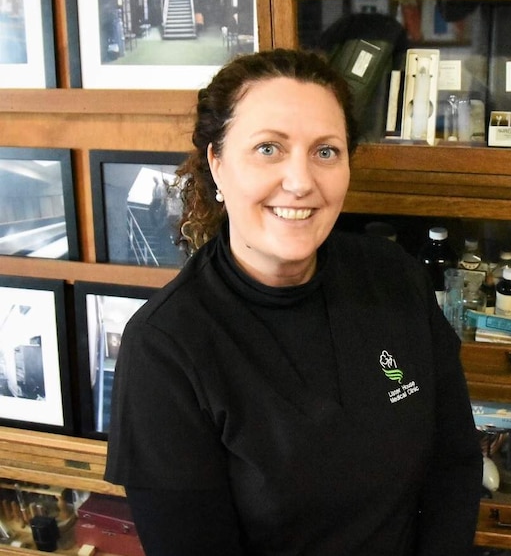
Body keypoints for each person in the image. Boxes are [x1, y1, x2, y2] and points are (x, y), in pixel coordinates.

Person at [104, 48, 483, 556]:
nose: (302, 182)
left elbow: (453, 465)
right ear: (216, 164)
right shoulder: (165, 349)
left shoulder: (394, 278)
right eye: (268, 149)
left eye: (325, 151)